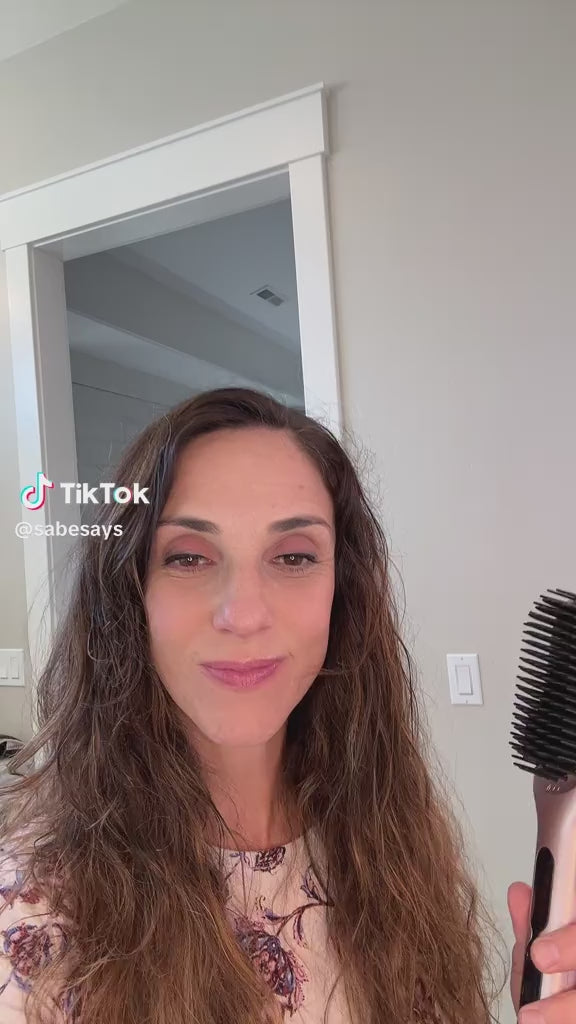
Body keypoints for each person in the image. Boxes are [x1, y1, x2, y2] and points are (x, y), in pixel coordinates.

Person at [0, 385, 552, 1024]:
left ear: (341, 591)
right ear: (131, 593)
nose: (244, 614)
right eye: (188, 557)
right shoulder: (32, 913)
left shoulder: (392, 838)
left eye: (293, 557)